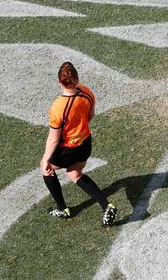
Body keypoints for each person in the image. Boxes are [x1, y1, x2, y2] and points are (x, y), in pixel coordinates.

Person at [41, 61, 117, 226]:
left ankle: (62, 209)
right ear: (76, 78)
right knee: (74, 174)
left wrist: (47, 158)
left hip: (70, 148)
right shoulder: (87, 92)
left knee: (46, 170)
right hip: (86, 143)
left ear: (58, 81)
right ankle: (107, 206)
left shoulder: (57, 107)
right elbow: (91, 115)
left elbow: (54, 139)